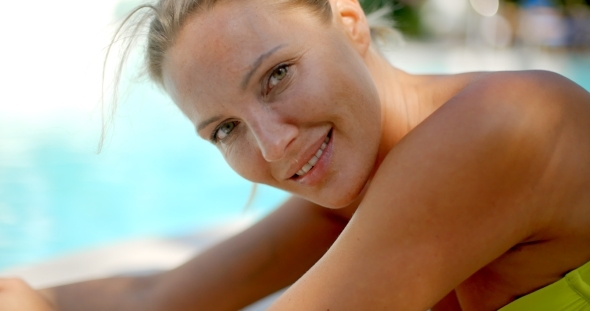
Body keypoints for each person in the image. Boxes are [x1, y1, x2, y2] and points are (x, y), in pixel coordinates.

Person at [1, 0, 590, 310]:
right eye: (225, 129)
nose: (273, 145)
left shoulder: (502, 126)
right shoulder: (355, 194)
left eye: (277, 75)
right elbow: (153, 299)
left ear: (351, 22)